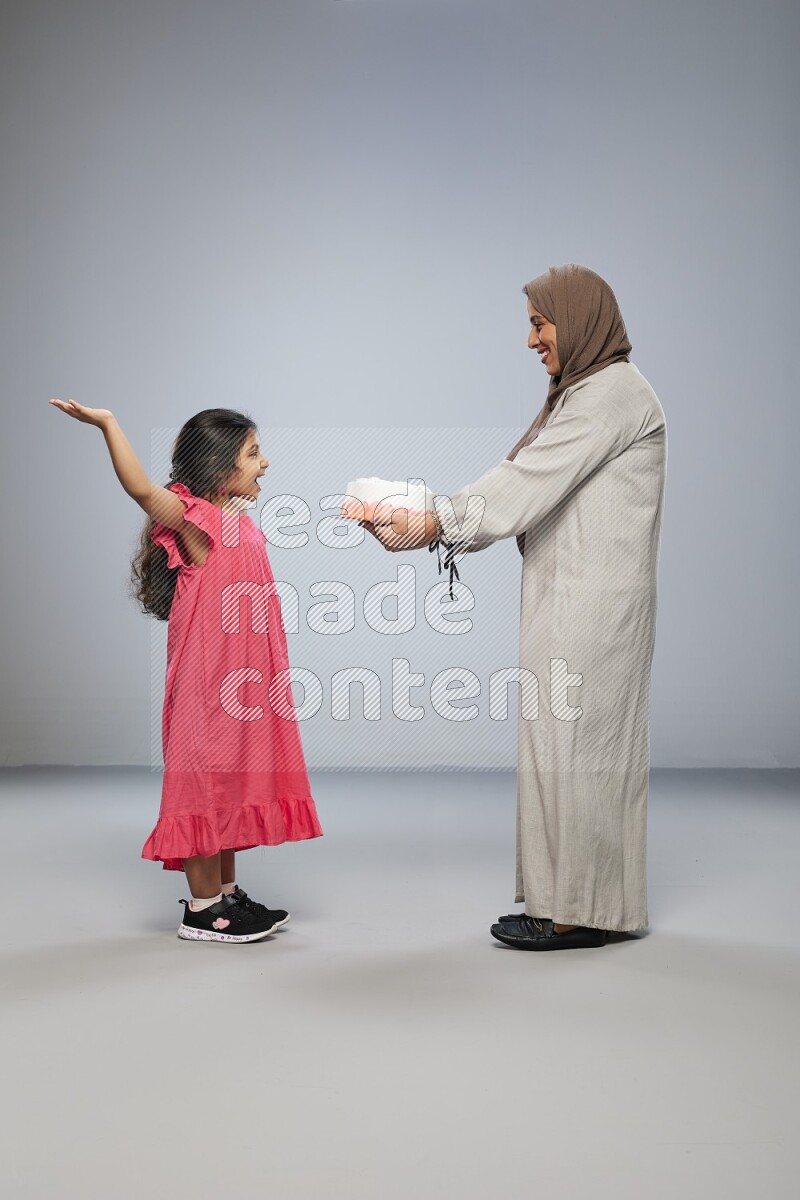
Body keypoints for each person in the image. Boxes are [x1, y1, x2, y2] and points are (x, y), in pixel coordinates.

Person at [363, 264, 667, 951]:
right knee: (568, 751)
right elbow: (527, 486)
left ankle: (579, 913)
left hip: (593, 608)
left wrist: (431, 522)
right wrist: (431, 520)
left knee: (579, 753)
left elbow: (525, 481)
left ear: (578, 318)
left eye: (539, 322)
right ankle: (574, 903)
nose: (531, 340)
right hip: (573, 597)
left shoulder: (609, 397)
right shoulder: (587, 393)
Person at [48, 401, 323, 943]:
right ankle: (202, 910)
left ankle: (225, 894)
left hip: (243, 687)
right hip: (206, 688)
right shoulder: (197, 522)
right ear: (222, 470)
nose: (264, 463)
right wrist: (109, 424)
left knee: (230, 783)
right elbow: (145, 492)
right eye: (253, 453)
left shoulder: (237, 523)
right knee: (204, 786)